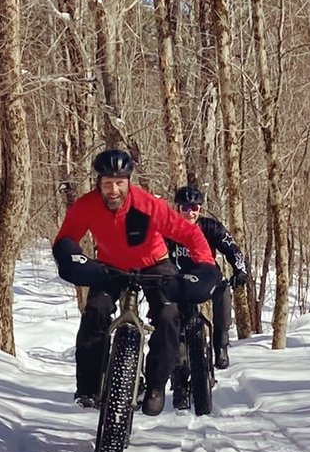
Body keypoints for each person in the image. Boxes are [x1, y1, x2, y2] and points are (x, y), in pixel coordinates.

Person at [53, 149, 221, 416]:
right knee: (95, 311)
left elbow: (189, 233)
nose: (113, 190)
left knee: (168, 316)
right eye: (107, 183)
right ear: (99, 183)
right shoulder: (87, 205)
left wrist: (204, 265)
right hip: (111, 266)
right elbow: (67, 237)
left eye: (119, 182)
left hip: (155, 264)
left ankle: (155, 385)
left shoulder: (147, 205)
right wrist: (71, 258)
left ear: (129, 181)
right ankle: (88, 387)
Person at [169, 185, 250, 378]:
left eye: (194, 208)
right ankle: (174, 356)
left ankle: (220, 343)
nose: (190, 213)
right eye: (185, 208)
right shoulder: (168, 229)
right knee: (166, 311)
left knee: (222, 291)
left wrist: (241, 270)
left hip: (206, 279)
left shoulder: (211, 228)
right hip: (177, 281)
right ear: (177, 208)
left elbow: (232, 249)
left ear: (200, 208)